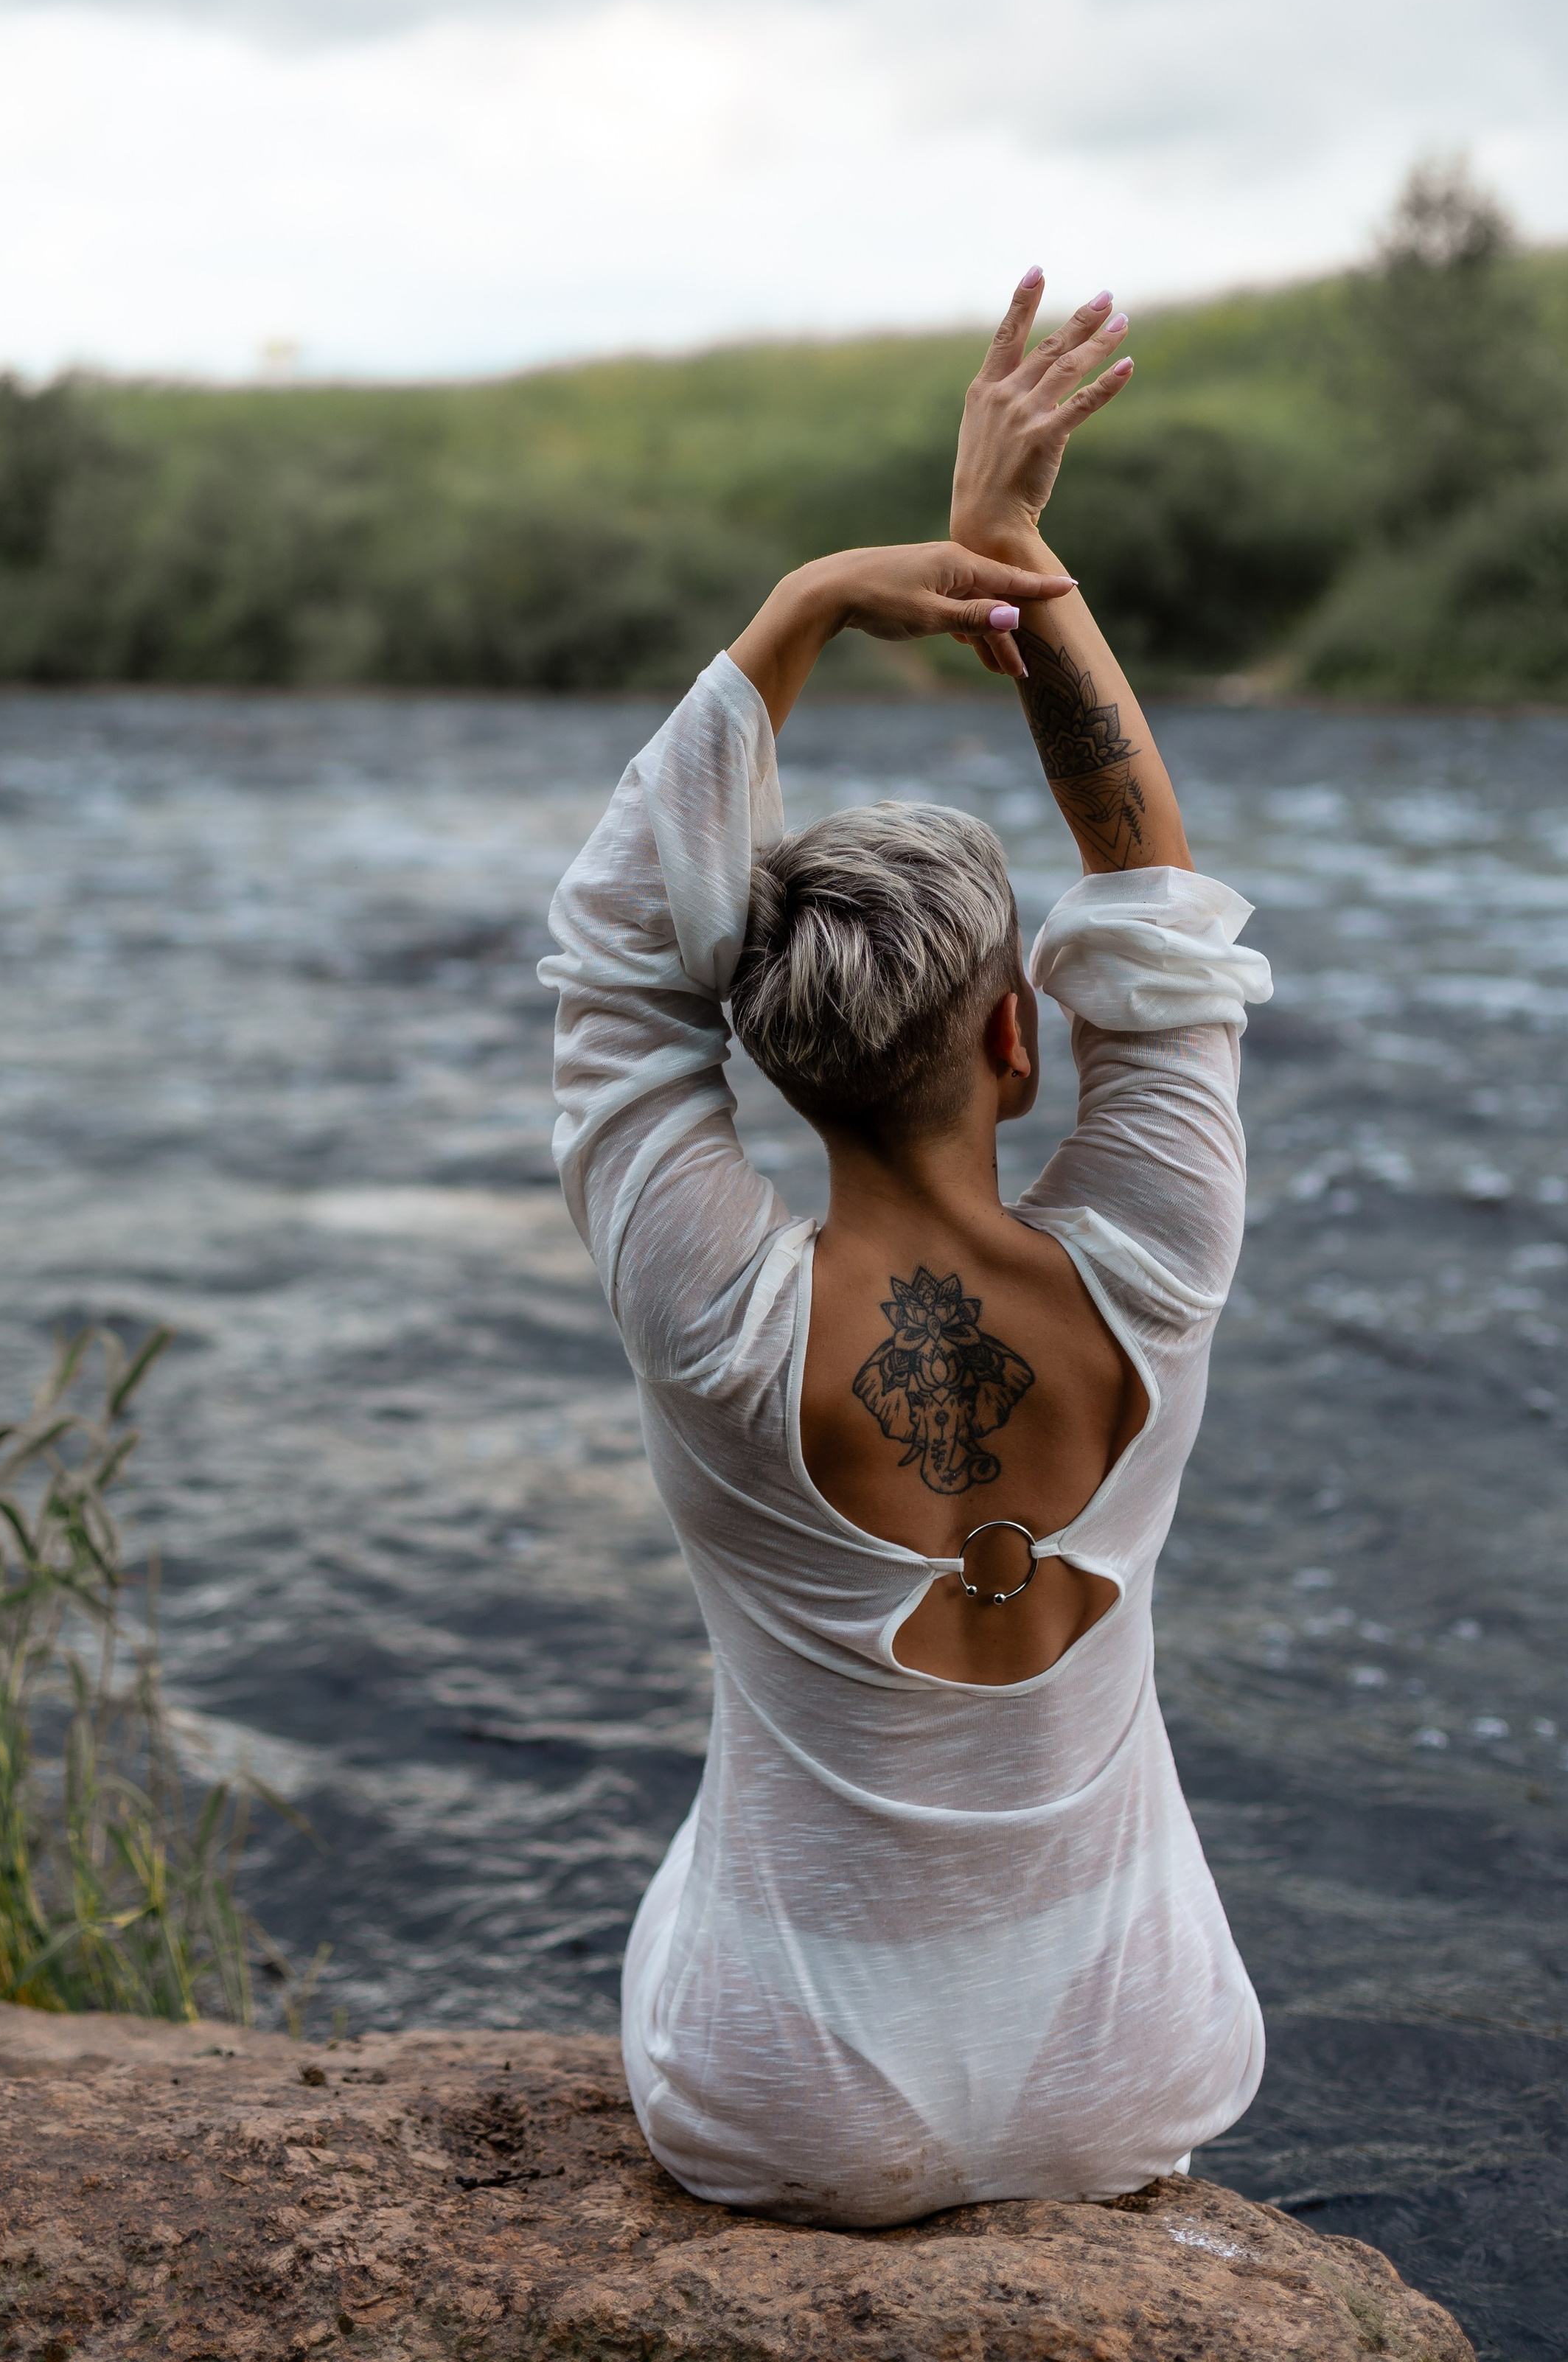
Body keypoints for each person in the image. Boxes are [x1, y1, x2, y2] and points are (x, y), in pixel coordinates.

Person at [540, 269, 1274, 2226]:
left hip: (788, 2094)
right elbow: (1155, 896)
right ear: (1022, 1035)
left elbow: (615, 974)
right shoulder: (1156, 1267)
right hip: (1131, 2066)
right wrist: (1020, 563)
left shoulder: (713, 1316)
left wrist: (797, 610)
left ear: (777, 1063)